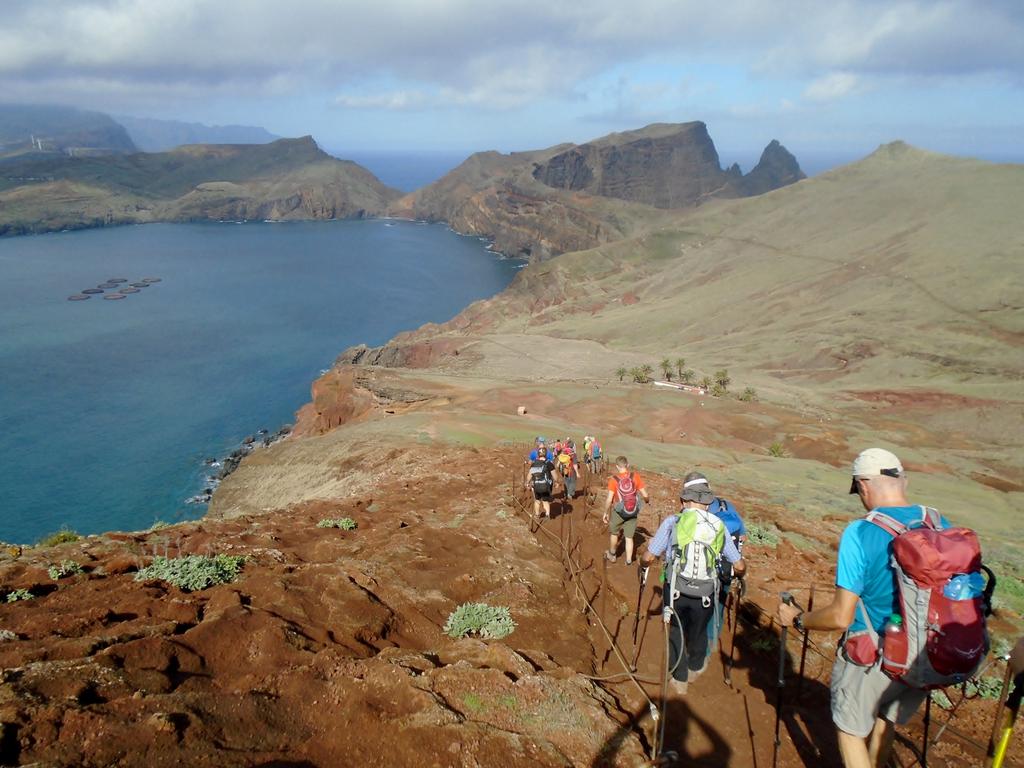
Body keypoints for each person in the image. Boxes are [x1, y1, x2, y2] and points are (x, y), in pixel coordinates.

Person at [777, 448, 947, 768]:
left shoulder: (860, 532)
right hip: (926, 652)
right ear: (901, 481)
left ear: (864, 485)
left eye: (859, 490)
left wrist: (799, 619)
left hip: (874, 654)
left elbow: (841, 616)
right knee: (886, 720)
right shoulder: (938, 522)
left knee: (851, 731)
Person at [641, 472, 745, 694]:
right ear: (708, 501)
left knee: (676, 630)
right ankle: (697, 665)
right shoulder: (719, 526)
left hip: (676, 588)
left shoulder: (673, 521)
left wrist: (644, 561)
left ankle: (680, 679)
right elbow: (739, 564)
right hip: (706, 593)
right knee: (698, 631)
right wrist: (740, 571)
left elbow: (649, 556)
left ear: (683, 501)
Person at [706, 487, 747, 644]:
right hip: (730, 564)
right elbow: (743, 535)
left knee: (705, 598)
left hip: (709, 564)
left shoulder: (704, 508)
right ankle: (714, 635)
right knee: (721, 600)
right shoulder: (729, 505)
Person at [603, 456, 650, 565]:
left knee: (614, 533)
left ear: (617, 466)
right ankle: (628, 560)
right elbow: (645, 495)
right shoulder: (635, 476)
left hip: (619, 512)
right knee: (629, 537)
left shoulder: (613, 480)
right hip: (632, 511)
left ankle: (612, 555)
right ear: (627, 465)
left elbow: (609, 499)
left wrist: (605, 512)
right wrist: (647, 501)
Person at [525, 445, 559, 520]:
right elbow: (555, 476)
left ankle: (537, 515)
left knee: (537, 501)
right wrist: (557, 482)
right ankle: (547, 515)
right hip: (546, 486)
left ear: (538, 454)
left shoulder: (534, 464)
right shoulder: (549, 464)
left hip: (536, 486)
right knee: (545, 500)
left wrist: (527, 483)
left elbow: (529, 476)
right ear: (546, 454)